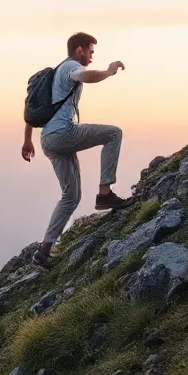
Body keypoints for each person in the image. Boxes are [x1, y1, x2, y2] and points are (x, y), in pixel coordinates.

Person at [21, 31, 135, 267]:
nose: (92, 56)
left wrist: (28, 140)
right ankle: (105, 193)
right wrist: (109, 71)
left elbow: (34, 109)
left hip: (49, 140)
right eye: (91, 51)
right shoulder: (71, 67)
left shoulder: (56, 73)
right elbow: (85, 75)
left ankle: (43, 251)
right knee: (114, 133)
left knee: (71, 196)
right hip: (63, 134)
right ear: (79, 50)